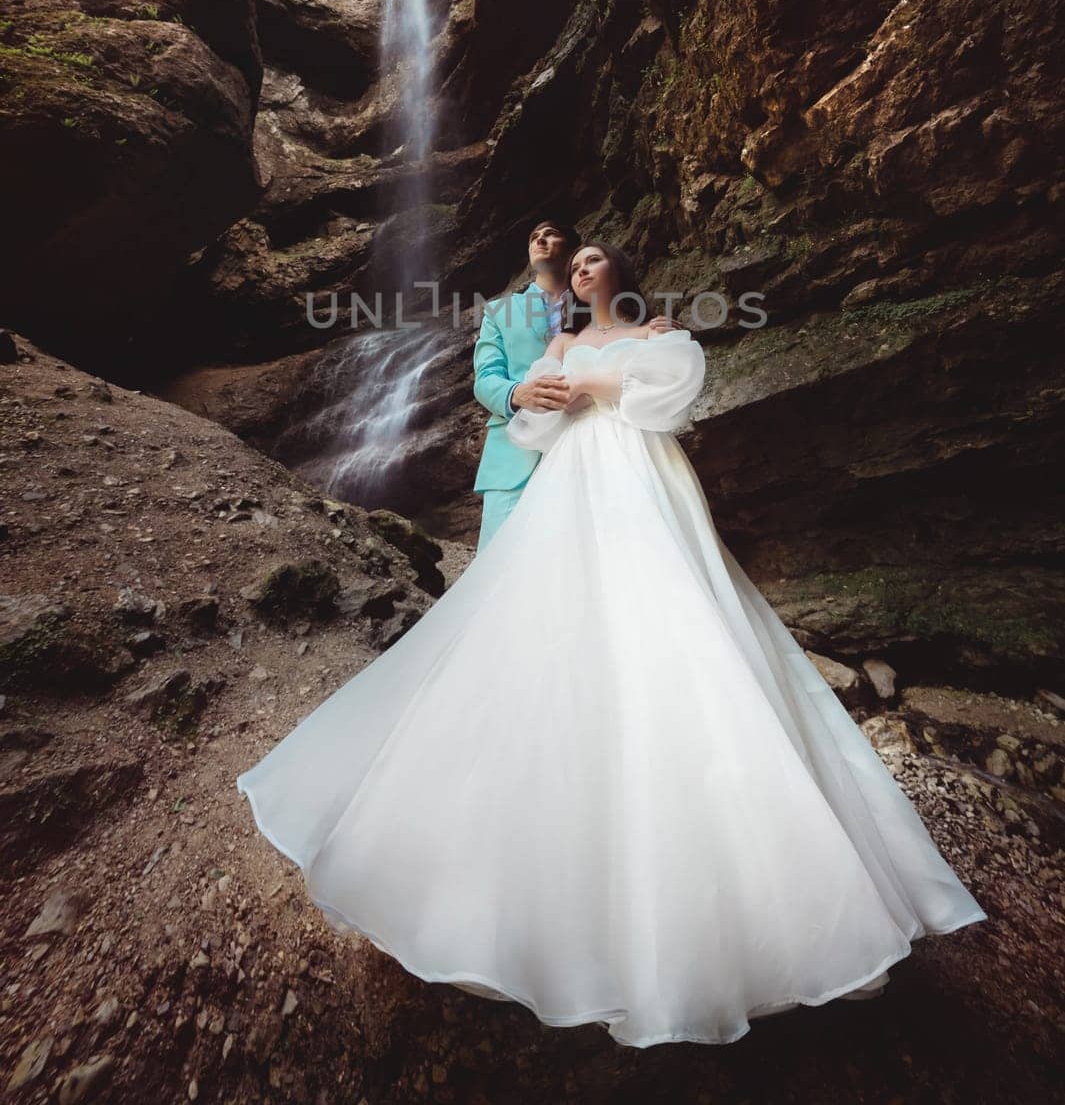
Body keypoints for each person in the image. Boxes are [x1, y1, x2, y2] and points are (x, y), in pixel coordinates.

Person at [236, 239, 987, 1050]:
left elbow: (672, 398)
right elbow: (531, 427)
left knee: (670, 613)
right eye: (577, 260)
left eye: (596, 257)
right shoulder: (558, 340)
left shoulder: (656, 330)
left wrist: (594, 381)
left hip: (641, 473)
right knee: (548, 626)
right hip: (573, 481)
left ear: (622, 274)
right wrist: (541, 392)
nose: (583, 266)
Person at [470, 217, 578, 551]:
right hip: (513, 455)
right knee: (498, 567)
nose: (540, 241)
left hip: (580, 447)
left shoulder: (597, 304)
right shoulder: (499, 311)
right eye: (534, 237)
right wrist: (518, 393)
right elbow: (485, 380)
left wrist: (651, 330)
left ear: (575, 248)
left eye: (552, 234)